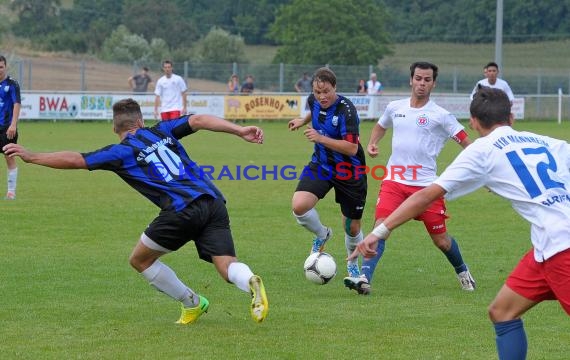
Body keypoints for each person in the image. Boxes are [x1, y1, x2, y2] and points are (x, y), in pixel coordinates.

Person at [3, 98, 269, 324]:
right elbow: (198, 119)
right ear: (140, 121)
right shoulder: (162, 130)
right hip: (213, 202)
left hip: (180, 210)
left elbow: (77, 159)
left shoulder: (120, 152)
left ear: (114, 127)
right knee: (226, 266)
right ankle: (249, 281)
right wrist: (239, 130)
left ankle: (192, 303)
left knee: (140, 260)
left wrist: (32, 156)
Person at [350, 87, 570, 360]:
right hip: (546, 246)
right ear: (511, 117)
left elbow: (426, 196)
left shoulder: (482, 151)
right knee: (502, 312)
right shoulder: (550, 142)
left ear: (474, 122)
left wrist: (380, 231)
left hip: (562, 247)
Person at [345, 61, 474, 295]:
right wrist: (373, 143)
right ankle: (364, 278)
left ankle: (463, 270)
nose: (421, 84)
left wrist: (478, 169)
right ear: (410, 80)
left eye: (427, 80)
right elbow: (381, 126)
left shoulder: (441, 115)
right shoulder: (395, 107)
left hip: (427, 188)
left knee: (441, 241)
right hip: (394, 181)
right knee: (381, 227)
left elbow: (467, 143)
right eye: (418, 78)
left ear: (433, 83)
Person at [288, 67, 367, 284]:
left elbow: (351, 148)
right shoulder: (314, 101)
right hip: (322, 165)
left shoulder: (346, 110)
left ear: (335, 88)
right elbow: (313, 111)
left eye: (326, 92)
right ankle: (322, 234)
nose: (321, 97)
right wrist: (301, 121)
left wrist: (320, 138)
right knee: (299, 206)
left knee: (351, 226)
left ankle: (352, 264)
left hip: (349, 171)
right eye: (317, 92)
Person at [0, 55, 21, 200]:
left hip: (7, 128)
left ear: (5, 67)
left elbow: (16, 104)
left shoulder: (12, 84)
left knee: (9, 158)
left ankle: (11, 192)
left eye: (1, 67)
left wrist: (13, 124)